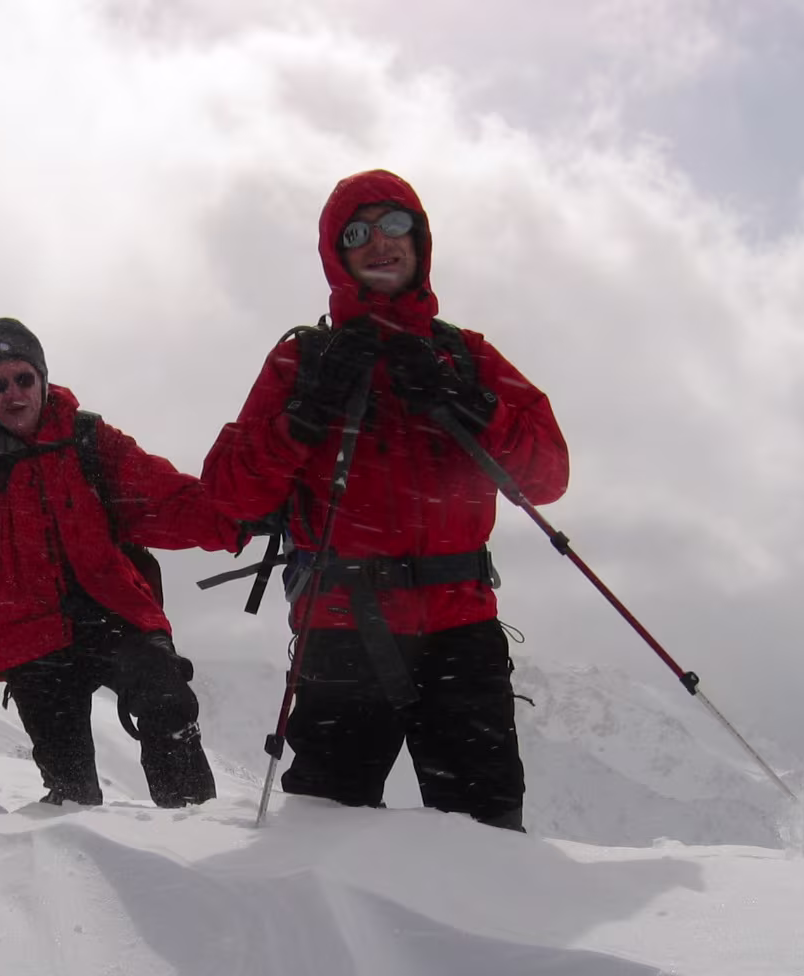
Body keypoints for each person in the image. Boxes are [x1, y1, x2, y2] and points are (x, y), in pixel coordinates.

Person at [200, 169, 569, 830]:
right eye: (357, 233)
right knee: (324, 841)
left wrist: (466, 402)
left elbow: (549, 474)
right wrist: (303, 418)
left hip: (455, 632)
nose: (379, 242)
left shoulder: (464, 357)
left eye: (395, 224)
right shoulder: (303, 363)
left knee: (488, 845)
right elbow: (228, 493)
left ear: (420, 240)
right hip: (346, 629)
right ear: (335, 254)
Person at [0, 289, 239, 808]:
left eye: (23, 378)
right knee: (70, 789)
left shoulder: (91, 442)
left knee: (166, 701)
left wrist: (240, 517)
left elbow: (167, 499)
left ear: (42, 379)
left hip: (112, 613)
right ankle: (76, 850)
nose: (13, 393)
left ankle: (194, 827)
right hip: (29, 634)